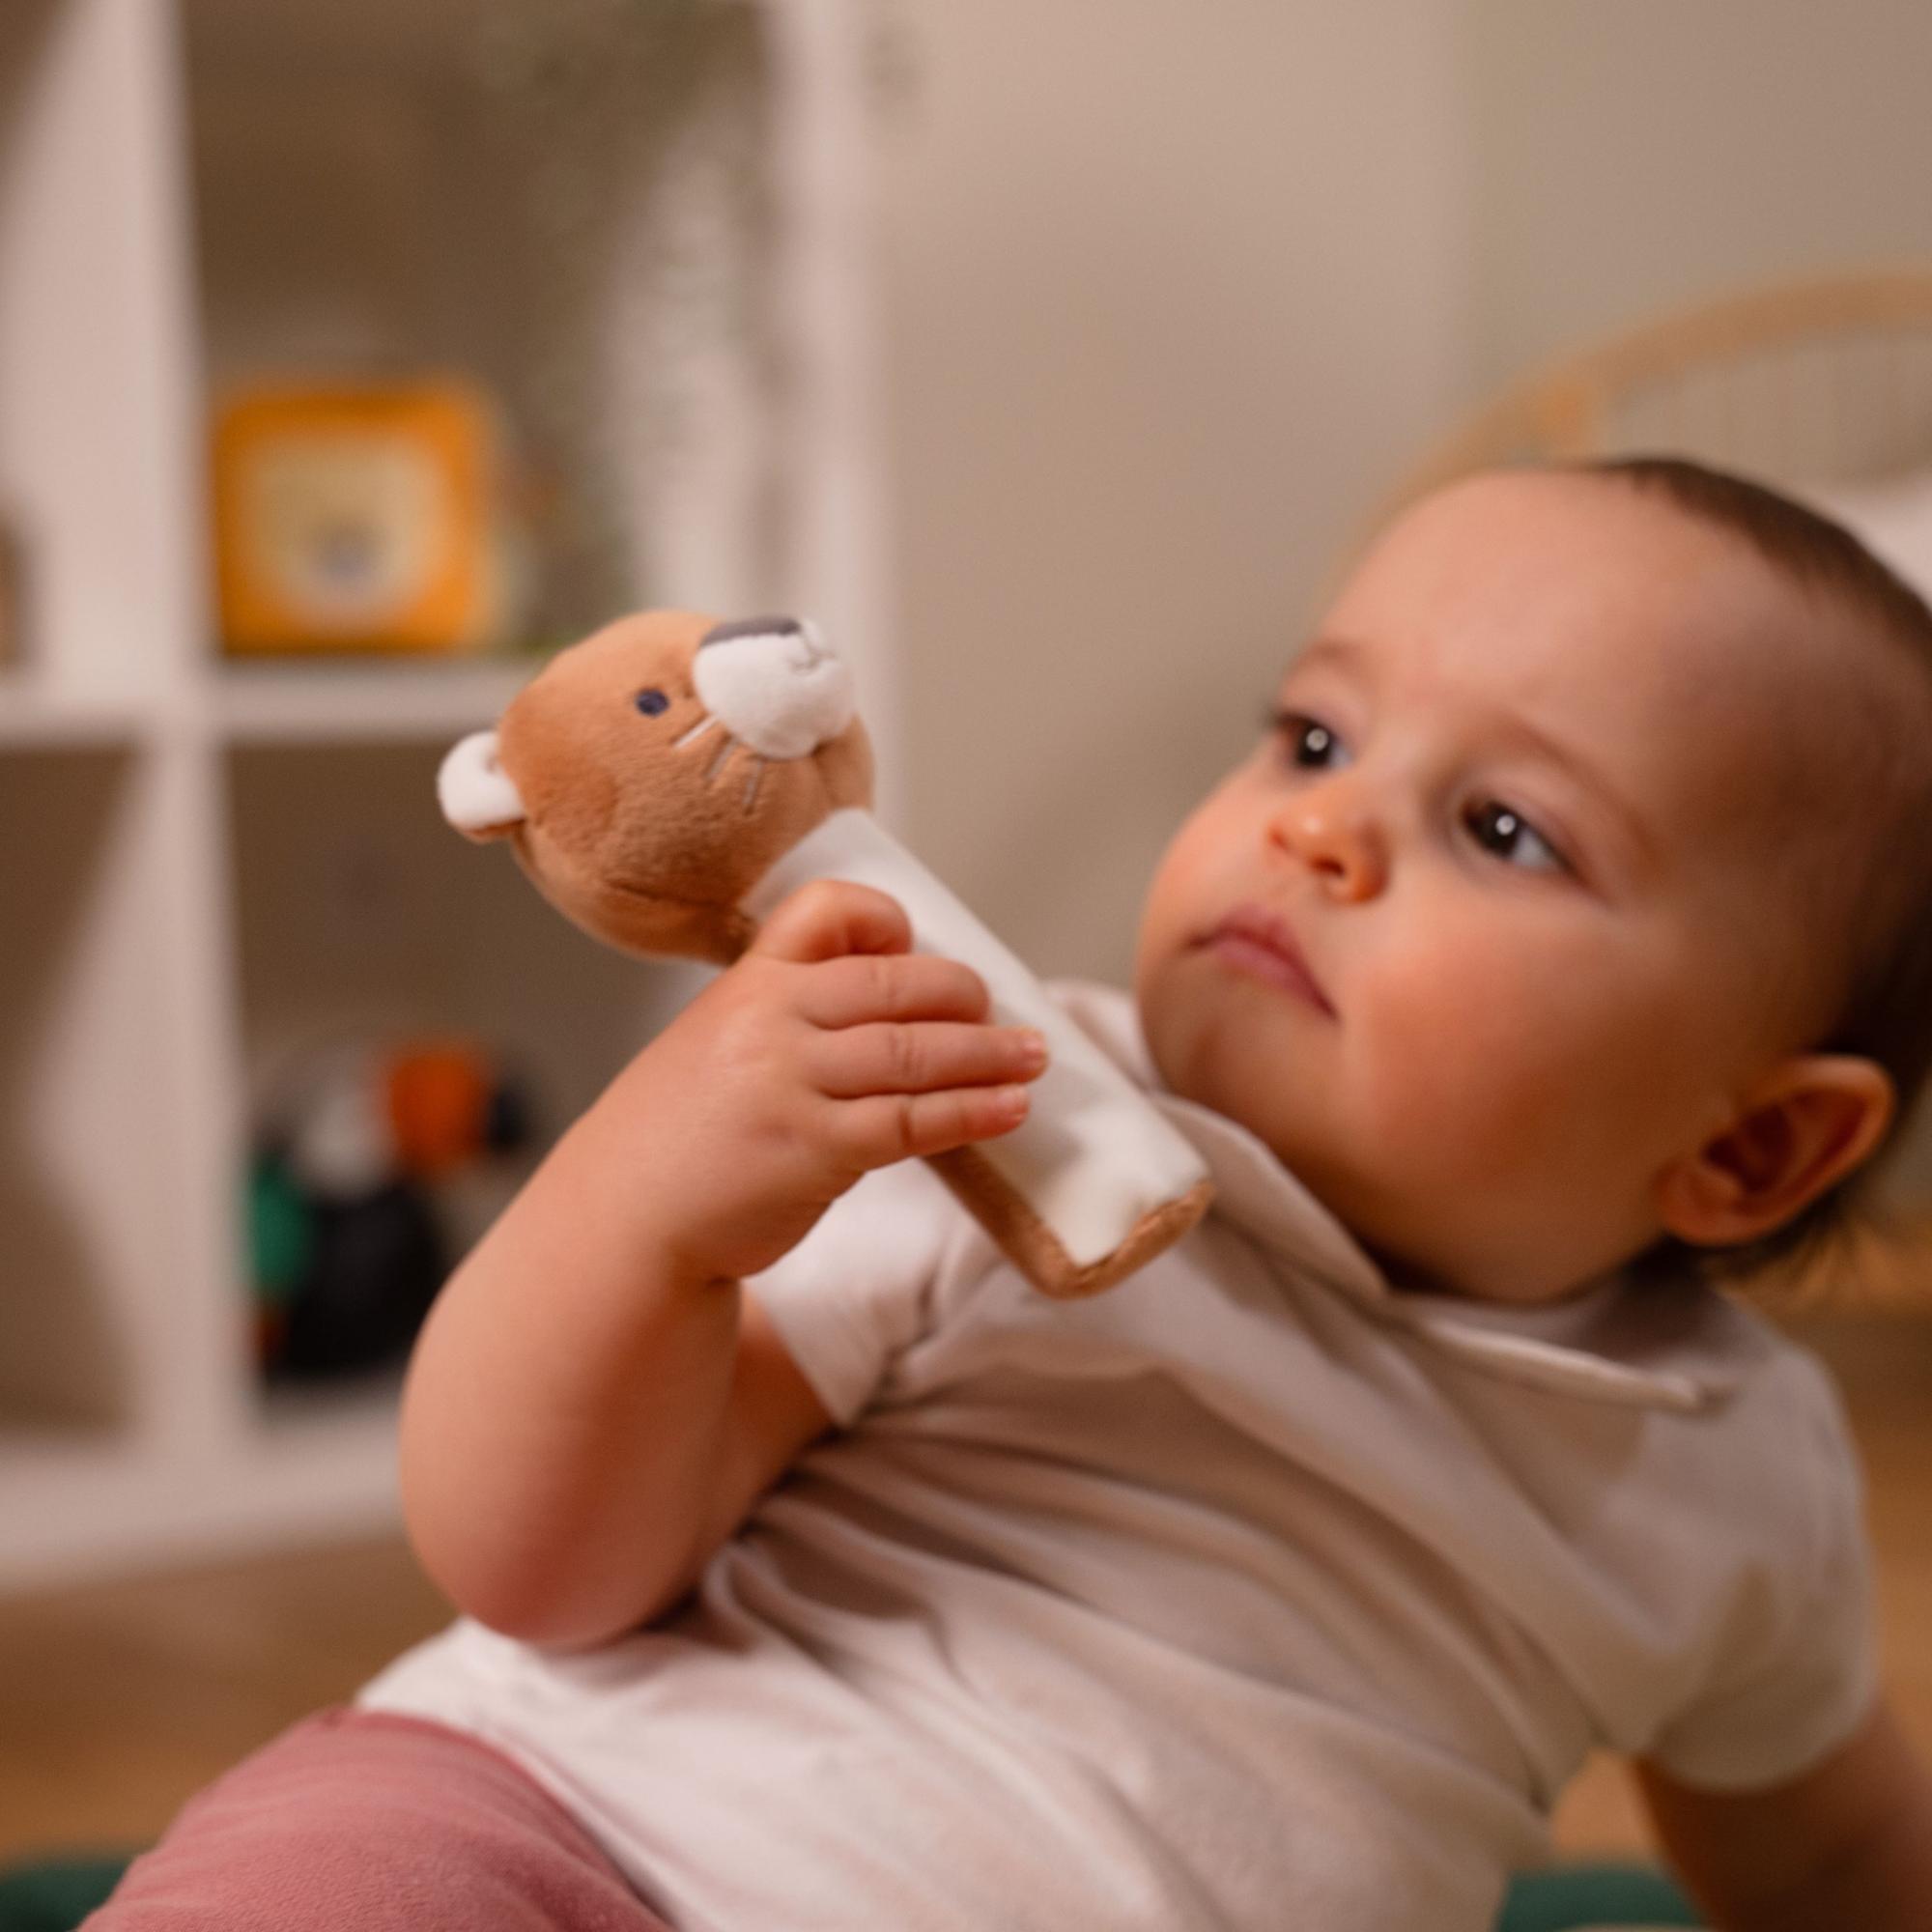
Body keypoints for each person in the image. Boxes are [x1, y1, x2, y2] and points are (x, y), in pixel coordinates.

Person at [94, 459, 1932, 1931]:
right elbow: (540, 1567)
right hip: (575, 1839)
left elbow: (1831, 1860)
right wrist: (653, 1212)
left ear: (1750, 1151)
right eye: (1315, 737)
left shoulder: (1734, 1481)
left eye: (1504, 827)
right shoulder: (988, 1107)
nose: (1317, 827)